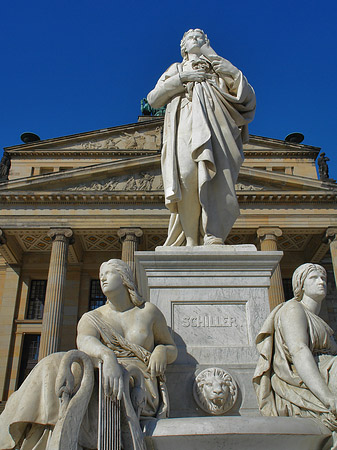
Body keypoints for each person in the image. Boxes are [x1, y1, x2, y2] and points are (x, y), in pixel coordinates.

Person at [0, 259, 177, 449]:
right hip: (104, 370)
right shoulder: (93, 317)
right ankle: (39, 432)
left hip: (139, 383)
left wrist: (161, 351)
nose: (102, 278)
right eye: (100, 275)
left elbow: (170, 348)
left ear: (124, 277)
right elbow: (84, 341)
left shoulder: (148, 312)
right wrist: (107, 356)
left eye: (108, 273)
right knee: (53, 362)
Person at [147, 29, 256, 246]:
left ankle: (213, 234)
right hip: (185, 123)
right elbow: (154, 99)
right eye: (190, 37)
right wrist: (183, 79)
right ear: (183, 47)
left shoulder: (219, 67)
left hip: (218, 127)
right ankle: (190, 240)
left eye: (201, 37)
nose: (195, 39)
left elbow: (247, 98)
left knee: (217, 179)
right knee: (187, 177)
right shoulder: (176, 69)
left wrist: (212, 57)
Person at [253, 263, 337, 445]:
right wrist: (328, 398)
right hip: (299, 381)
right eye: (313, 278)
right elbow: (299, 351)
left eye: (323, 278)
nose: (321, 282)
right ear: (300, 284)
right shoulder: (293, 309)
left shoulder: (319, 320)